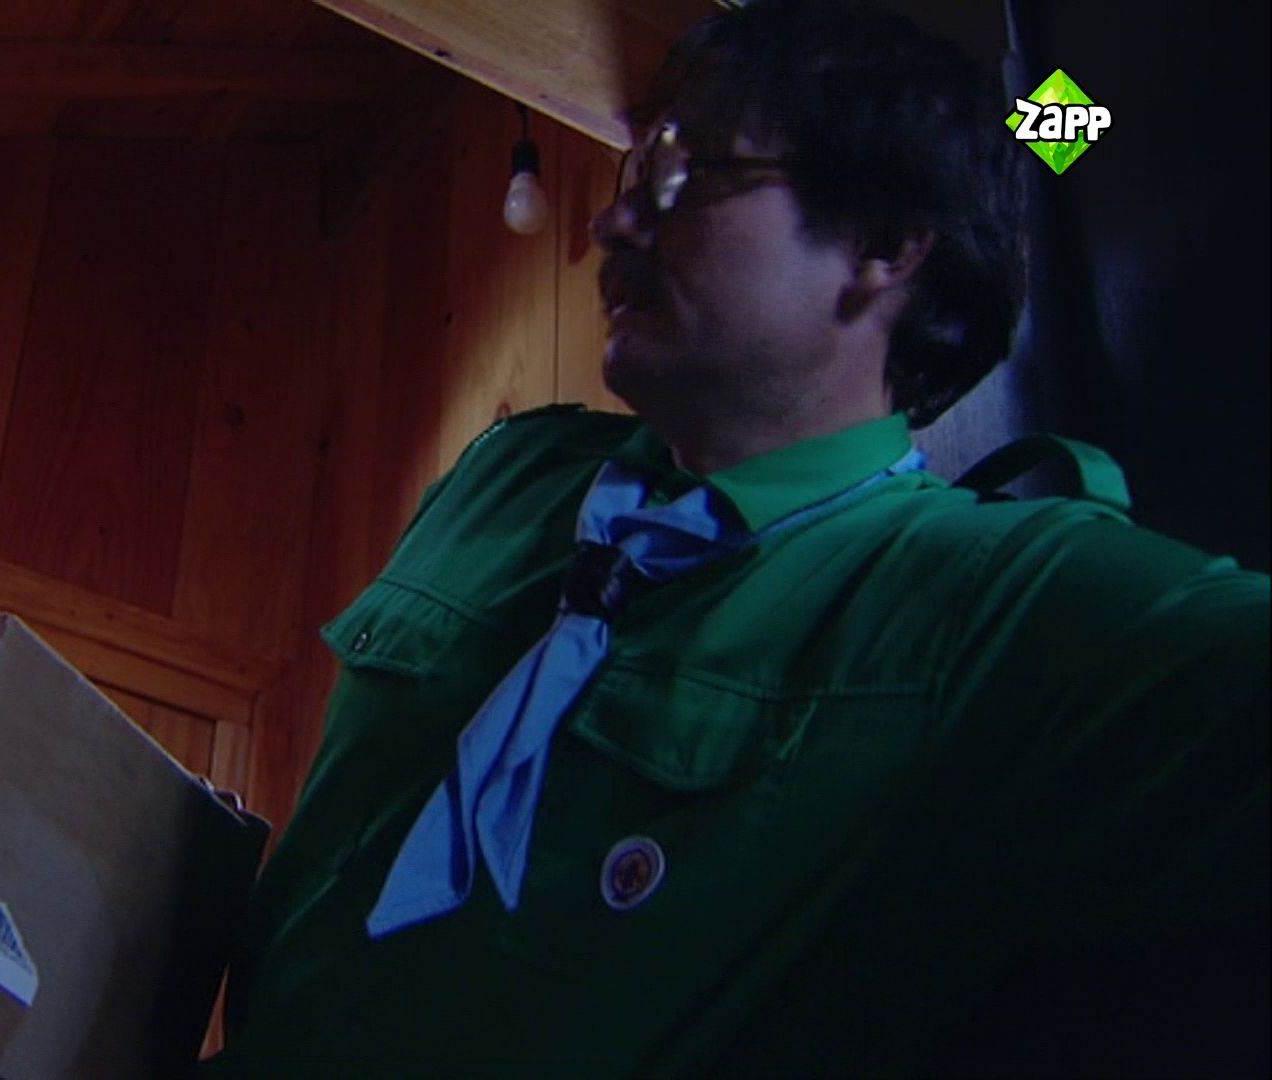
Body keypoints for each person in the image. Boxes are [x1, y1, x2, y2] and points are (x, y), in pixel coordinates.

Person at [198, 1, 1269, 1077]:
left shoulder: (994, 601)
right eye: (637, 168)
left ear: (885, 245)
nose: (613, 223)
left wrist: (1077, 99)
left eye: (691, 172)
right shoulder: (505, 473)